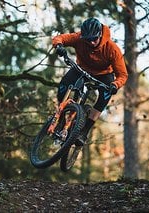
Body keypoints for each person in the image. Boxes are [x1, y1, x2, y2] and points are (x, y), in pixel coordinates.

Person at [52, 17, 128, 145]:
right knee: (64, 87)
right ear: (83, 37)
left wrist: (115, 85)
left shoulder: (112, 49)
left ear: (100, 34)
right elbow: (60, 38)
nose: (92, 42)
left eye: (95, 38)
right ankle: (61, 121)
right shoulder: (79, 38)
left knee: (105, 96)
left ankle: (84, 132)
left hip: (104, 74)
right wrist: (58, 46)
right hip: (81, 68)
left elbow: (122, 75)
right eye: (88, 39)